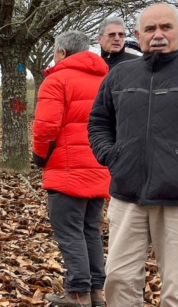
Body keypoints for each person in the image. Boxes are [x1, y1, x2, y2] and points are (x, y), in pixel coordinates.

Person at [89, 3, 178, 307]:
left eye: (166, 27)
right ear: (138, 35)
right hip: (128, 195)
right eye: (150, 29)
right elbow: (99, 122)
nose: (158, 34)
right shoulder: (119, 76)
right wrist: (112, 155)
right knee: (118, 279)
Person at [33, 31, 110, 307]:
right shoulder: (106, 79)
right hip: (99, 167)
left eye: (55, 51)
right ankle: (96, 292)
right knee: (90, 230)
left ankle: (77, 292)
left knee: (69, 231)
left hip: (67, 170)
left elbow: (45, 127)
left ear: (62, 52)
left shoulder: (56, 81)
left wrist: (40, 158)